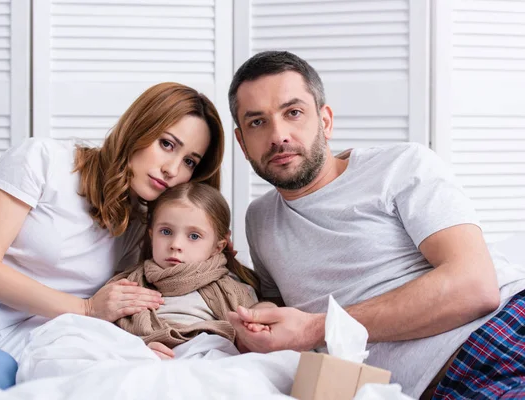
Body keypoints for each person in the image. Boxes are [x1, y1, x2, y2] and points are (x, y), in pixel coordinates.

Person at [225, 50, 525, 399]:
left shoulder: (400, 165)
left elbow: (476, 287)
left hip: (506, 332)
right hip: (440, 389)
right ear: (242, 142)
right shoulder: (259, 221)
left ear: (325, 121)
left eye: (293, 112)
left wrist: (316, 328)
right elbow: (276, 311)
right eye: (257, 122)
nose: (279, 135)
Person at [0, 82, 225, 388]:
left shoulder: (144, 229)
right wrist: (87, 308)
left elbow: (124, 306)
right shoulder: (44, 160)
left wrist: (133, 349)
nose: (172, 169)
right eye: (167, 144)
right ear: (138, 128)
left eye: (189, 161)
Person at [105, 182, 268, 360]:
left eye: (194, 236)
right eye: (166, 231)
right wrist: (139, 348)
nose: (176, 245)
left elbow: (253, 342)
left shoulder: (234, 291)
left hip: (206, 363)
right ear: (152, 235)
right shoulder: (128, 284)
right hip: (145, 362)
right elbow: (105, 334)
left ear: (217, 247)